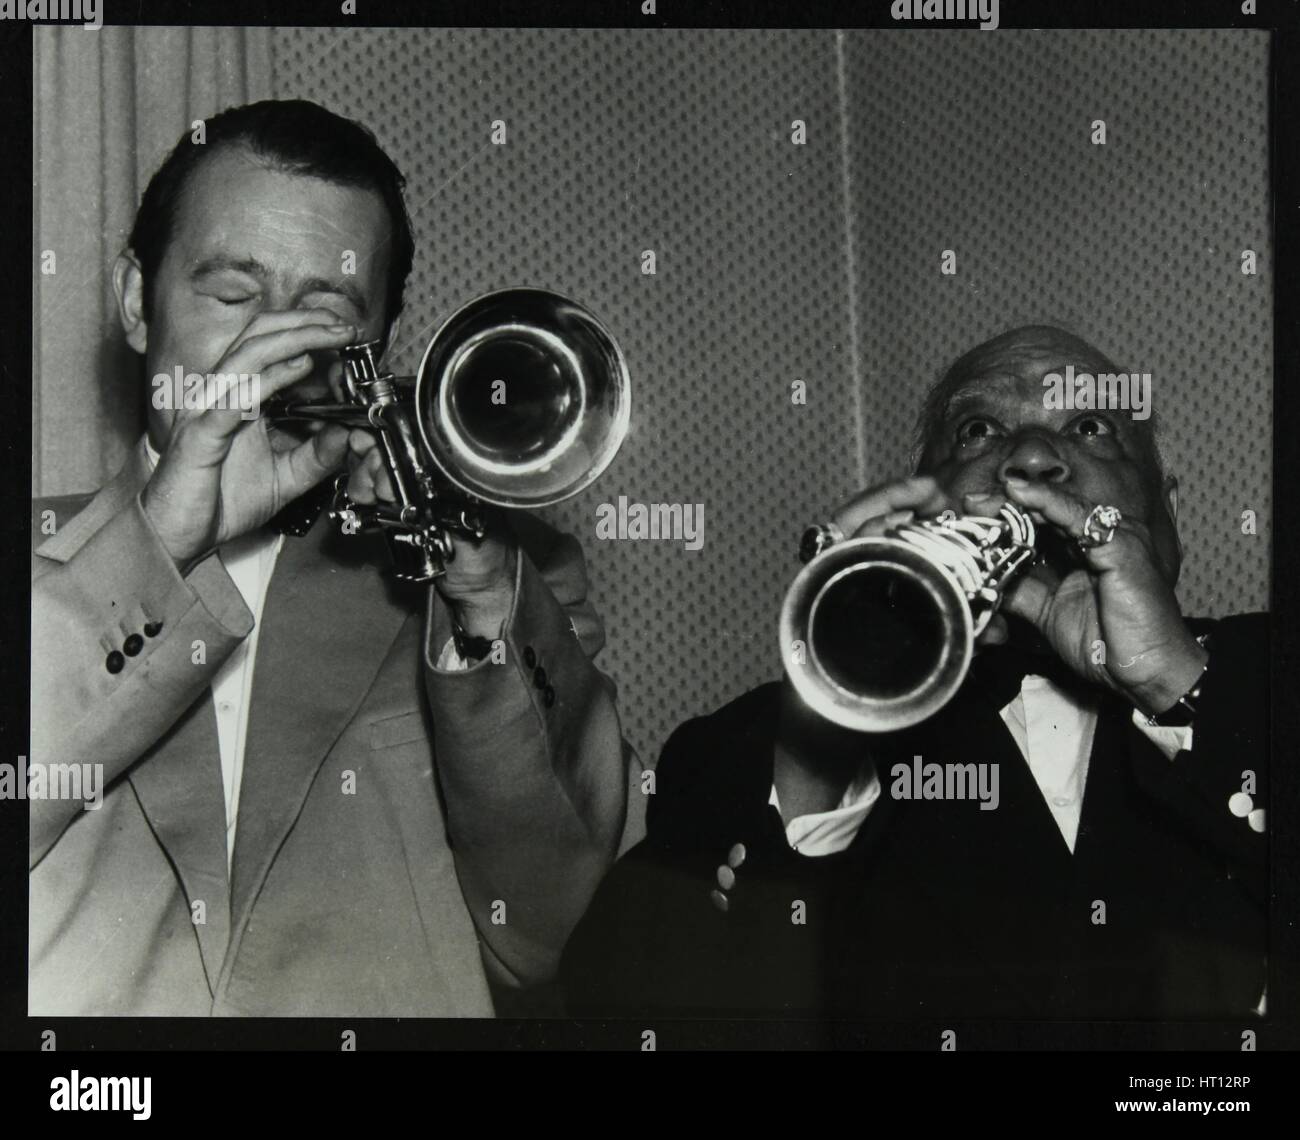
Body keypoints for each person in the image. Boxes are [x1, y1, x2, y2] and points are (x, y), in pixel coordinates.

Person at [31, 99, 635, 1016]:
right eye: (232, 295)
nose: (269, 351)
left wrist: (476, 597)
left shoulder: (500, 579)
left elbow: (547, 937)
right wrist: (158, 546)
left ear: (377, 348)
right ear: (133, 304)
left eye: (323, 311)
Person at [561, 326, 1267, 1020]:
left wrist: (1174, 685)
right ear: (922, 501)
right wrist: (829, 731)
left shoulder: (1272, 680)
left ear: (1169, 512)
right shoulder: (765, 745)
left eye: (1088, 425)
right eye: (979, 431)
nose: (1027, 459)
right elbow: (620, 1010)